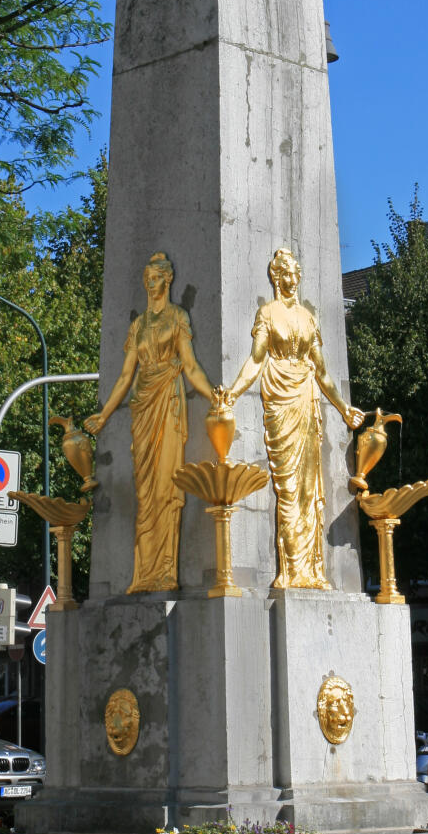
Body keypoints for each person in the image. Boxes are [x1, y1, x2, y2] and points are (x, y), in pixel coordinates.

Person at [225, 249, 364, 591]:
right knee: (287, 487)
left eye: (296, 273)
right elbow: (256, 360)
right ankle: (289, 571)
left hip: (305, 399)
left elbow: (322, 372)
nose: (293, 279)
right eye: (287, 273)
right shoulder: (268, 313)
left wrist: (344, 409)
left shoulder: (307, 317)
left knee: (308, 487)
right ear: (275, 276)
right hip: (280, 402)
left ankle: (312, 570)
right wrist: (233, 392)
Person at [85, 252, 213, 593]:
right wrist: (105, 412)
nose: (148, 282)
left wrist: (216, 397)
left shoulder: (178, 317)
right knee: (144, 489)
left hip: (168, 403)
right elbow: (126, 375)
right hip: (142, 407)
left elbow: (191, 366)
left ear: (166, 279)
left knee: (166, 486)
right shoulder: (138, 325)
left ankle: (166, 571)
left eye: (154, 277)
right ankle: (144, 573)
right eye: (146, 277)